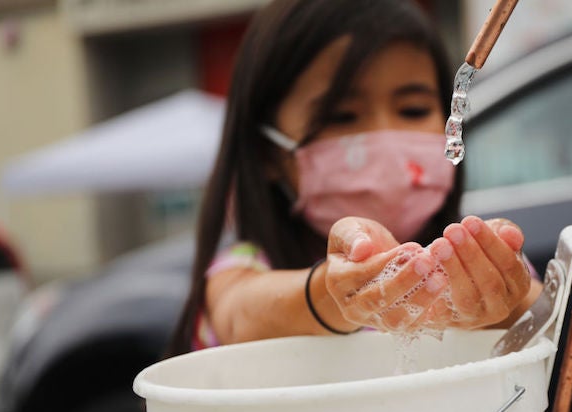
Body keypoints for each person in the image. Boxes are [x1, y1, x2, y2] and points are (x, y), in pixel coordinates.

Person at [167, 0, 542, 356]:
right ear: (268, 153)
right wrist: (336, 290)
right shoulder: (240, 273)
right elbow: (241, 316)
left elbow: (542, 318)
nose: (386, 136)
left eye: (413, 110)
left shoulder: (473, 263)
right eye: (341, 117)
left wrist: (502, 292)